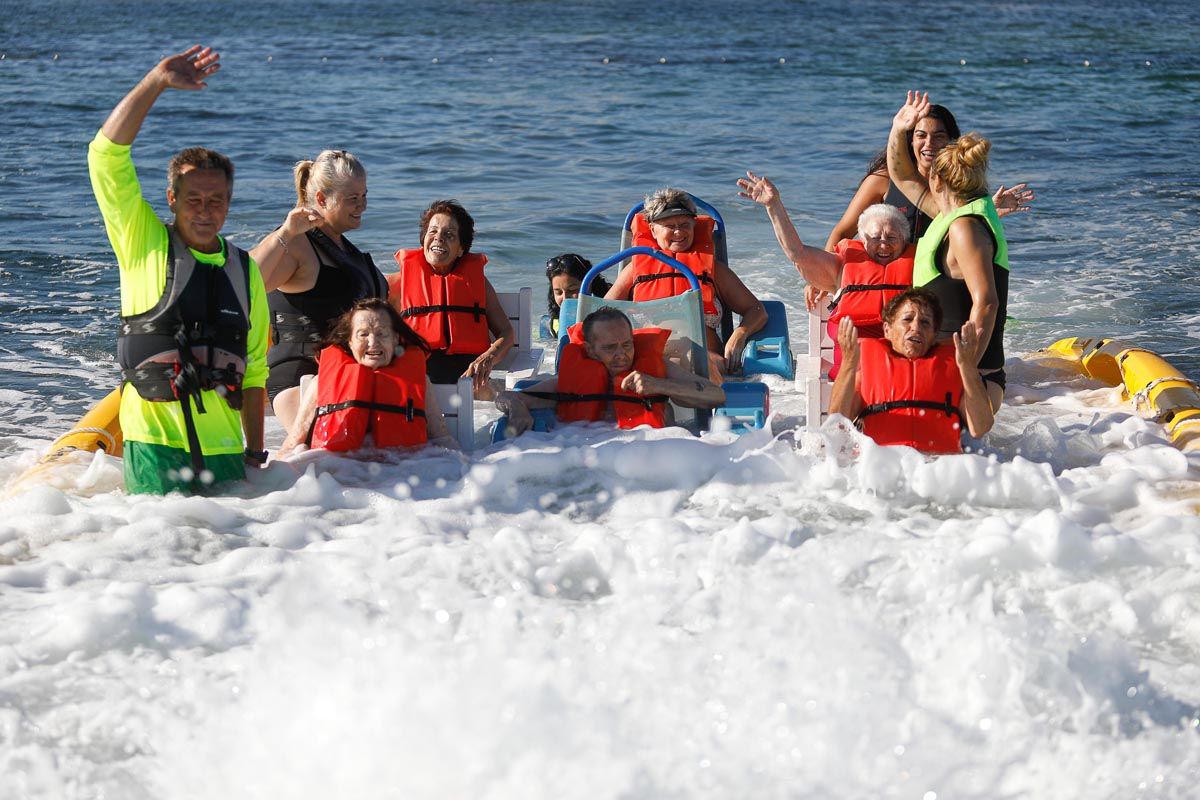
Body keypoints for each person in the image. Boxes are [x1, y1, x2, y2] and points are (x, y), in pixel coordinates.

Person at [88, 45, 269, 495]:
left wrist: (254, 453)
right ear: (171, 199)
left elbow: (255, 374)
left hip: (226, 452)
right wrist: (155, 83)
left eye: (216, 201)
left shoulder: (244, 270)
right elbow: (104, 158)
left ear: (228, 204)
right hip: (156, 446)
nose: (205, 211)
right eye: (193, 199)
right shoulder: (143, 242)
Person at [250, 150, 388, 434]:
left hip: (348, 374)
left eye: (364, 196)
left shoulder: (349, 252)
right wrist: (286, 233)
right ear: (323, 199)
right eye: (352, 198)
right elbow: (249, 281)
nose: (361, 205)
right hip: (300, 377)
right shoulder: (299, 243)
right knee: (328, 460)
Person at [888, 92, 1010, 411]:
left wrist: (965, 372)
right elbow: (900, 173)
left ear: (938, 180)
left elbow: (987, 304)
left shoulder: (964, 227)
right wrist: (897, 128)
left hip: (970, 380)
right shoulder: (951, 215)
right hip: (944, 370)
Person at [738, 170, 915, 377]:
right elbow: (797, 253)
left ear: (904, 240)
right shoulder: (840, 268)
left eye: (892, 237)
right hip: (854, 374)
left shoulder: (917, 266)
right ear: (863, 241)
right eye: (876, 237)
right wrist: (773, 206)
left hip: (901, 368)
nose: (884, 244)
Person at [823, 105, 1034, 249]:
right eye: (921, 135)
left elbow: (963, 233)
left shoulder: (958, 186)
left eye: (939, 136)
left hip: (932, 281)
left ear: (952, 142)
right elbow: (843, 232)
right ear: (911, 141)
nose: (929, 144)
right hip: (889, 280)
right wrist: (821, 275)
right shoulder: (883, 180)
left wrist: (988, 212)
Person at [604, 188, 767, 375]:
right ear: (653, 230)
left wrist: (740, 334)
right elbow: (602, 313)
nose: (678, 231)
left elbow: (757, 311)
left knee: (685, 365)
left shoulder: (714, 270)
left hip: (703, 360)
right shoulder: (635, 269)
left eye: (684, 224)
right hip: (649, 356)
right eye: (670, 225)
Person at [494, 307, 725, 435]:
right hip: (584, 454)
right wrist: (517, 410)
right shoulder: (572, 380)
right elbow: (507, 397)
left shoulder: (658, 369)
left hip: (654, 456)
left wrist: (660, 385)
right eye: (609, 348)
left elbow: (717, 395)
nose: (621, 355)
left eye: (627, 345)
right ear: (590, 350)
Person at [278, 298, 450, 456]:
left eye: (382, 333)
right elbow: (292, 445)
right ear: (350, 341)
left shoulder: (418, 382)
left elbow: (444, 441)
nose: (373, 342)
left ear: (396, 339)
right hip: (339, 476)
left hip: (402, 471)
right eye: (363, 334)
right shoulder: (321, 383)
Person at [829, 289, 993, 454]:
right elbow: (837, 422)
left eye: (925, 323)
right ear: (887, 330)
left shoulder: (956, 369)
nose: (916, 327)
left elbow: (981, 427)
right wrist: (849, 364)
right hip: (881, 466)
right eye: (907, 319)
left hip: (939, 468)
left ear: (934, 335)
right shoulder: (864, 373)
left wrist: (969, 368)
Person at [388, 200, 514, 398]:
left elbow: (506, 332)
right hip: (419, 382)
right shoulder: (396, 284)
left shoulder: (478, 282)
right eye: (433, 232)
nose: (439, 239)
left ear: (461, 249)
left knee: (504, 403)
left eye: (449, 235)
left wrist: (489, 357)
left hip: (471, 381)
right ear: (423, 240)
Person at [544, 253, 611, 337]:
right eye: (559, 292)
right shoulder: (553, 323)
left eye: (572, 290)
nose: (565, 298)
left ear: (590, 285)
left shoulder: (607, 311)